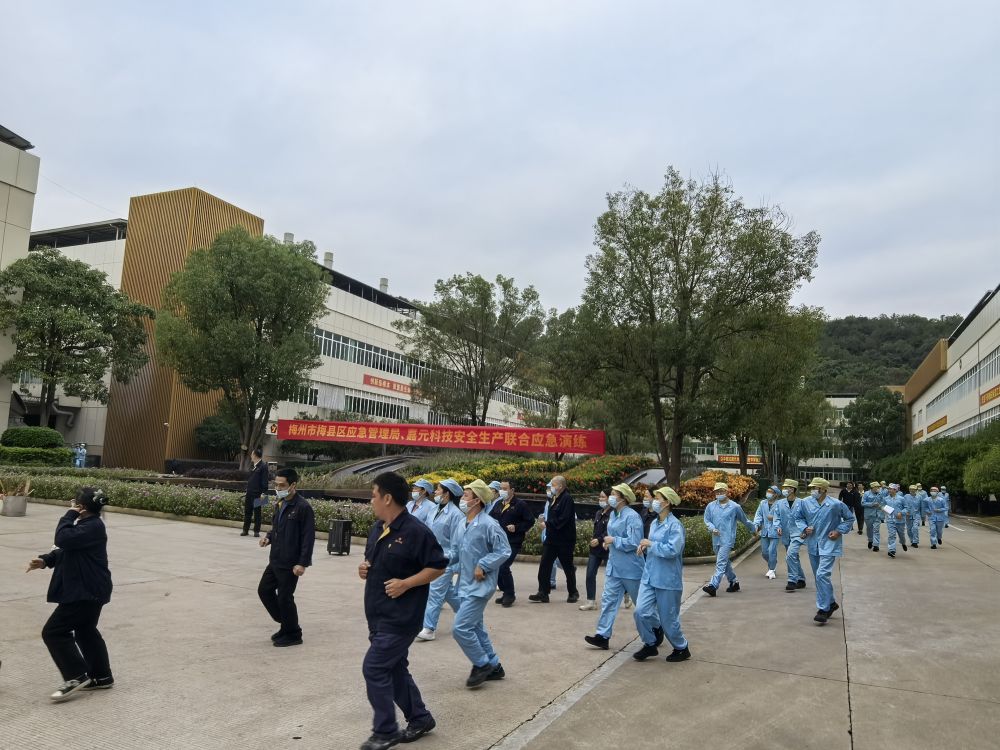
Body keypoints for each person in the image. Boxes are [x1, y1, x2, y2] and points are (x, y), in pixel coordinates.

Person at [358, 472, 449, 750]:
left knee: (374, 667)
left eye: (373, 495)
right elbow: (373, 560)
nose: (371, 500)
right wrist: (364, 567)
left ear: (387, 498)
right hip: (378, 615)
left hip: (401, 618)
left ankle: (385, 731)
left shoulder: (415, 531)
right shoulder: (378, 528)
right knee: (394, 669)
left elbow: (438, 566)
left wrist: (406, 583)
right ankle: (420, 718)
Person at [26, 487, 114, 702]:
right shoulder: (86, 526)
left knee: (54, 632)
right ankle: (102, 676)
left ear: (81, 506)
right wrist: (46, 560)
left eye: (75, 502)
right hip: (91, 589)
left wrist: (69, 515)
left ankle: (76, 676)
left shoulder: (92, 526)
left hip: (85, 592)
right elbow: (66, 549)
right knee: (85, 630)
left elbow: (63, 539)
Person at [452, 479, 511, 688]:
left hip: (480, 586)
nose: (462, 499)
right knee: (476, 628)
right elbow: (455, 552)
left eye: (466, 495)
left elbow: (504, 551)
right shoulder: (462, 523)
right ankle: (494, 666)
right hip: (464, 585)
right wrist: (436, 562)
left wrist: (483, 565)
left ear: (477, 500)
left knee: (460, 628)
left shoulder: (489, 524)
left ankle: (481, 664)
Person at [584, 484, 650, 649]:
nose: (610, 497)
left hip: (631, 569)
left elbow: (634, 542)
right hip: (614, 567)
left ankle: (656, 628)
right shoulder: (613, 514)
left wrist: (614, 541)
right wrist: (609, 542)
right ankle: (602, 635)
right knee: (608, 601)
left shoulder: (632, 517)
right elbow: (612, 535)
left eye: (613, 494)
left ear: (622, 498)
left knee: (642, 605)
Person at [257, 468, 314, 647]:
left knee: (284, 597)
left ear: (293, 485)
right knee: (264, 590)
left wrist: (302, 563)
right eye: (276, 485)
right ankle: (287, 624)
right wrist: (268, 537)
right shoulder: (280, 503)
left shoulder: (303, 507)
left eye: (282, 485)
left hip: (290, 563)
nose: (278, 488)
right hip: (275, 559)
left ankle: (294, 633)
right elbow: (277, 528)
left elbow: (308, 538)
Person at [633, 486, 688, 663]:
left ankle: (681, 648)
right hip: (650, 575)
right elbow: (653, 544)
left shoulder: (675, 525)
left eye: (657, 498)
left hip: (667, 579)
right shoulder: (655, 523)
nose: (653, 501)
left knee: (669, 619)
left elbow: (673, 550)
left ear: (667, 502)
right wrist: (644, 546)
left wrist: (651, 544)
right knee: (640, 611)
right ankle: (650, 643)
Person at [794, 478, 854, 624]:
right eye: (812, 488)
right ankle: (831, 602)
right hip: (813, 543)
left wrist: (838, 531)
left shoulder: (836, 504)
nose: (813, 490)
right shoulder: (805, 502)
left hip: (829, 543)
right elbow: (798, 517)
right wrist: (804, 528)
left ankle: (823, 609)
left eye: (815, 488)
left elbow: (849, 518)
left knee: (822, 574)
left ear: (823, 489)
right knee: (819, 577)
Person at [416, 479, 465, 641]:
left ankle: (429, 628)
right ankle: (466, 613)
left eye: (438, 489)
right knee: (447, 592)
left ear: (447, 494)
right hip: (431, 557)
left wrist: (451, 562)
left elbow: (457, 543)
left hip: (446, 559)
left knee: (434, 592)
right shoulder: (434, 509)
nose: (435, 492)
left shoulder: (456, 515)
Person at [530, 476, 579, 604]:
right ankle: (543, 592)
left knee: (567, 567)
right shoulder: (553, 498)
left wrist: (547, 524)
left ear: (560, 486)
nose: (551, 487)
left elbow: (564, 518)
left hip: (564, 540)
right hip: (552, 538)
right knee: (544, 565)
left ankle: (573, 592)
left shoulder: (567, 499)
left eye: (553, 484)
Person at [702, 481, 757, 597]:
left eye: (721, 491)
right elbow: (707, 520)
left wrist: (753, 529)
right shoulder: (711, 506)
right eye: (717, 492)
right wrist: (712, 528)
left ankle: (713, 585)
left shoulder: (735, 507)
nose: (719, 494)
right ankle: (734, 582)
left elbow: (744, 520)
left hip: (727, 539)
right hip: (716, 538)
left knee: (720, 562)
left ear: (727, 492)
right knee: (725, 562)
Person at [490, 480, 535, 607]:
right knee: (497, 567)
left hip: (513, 542)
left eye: (505, 488)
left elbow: (530, 521)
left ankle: (510, 594)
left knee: (504, 566)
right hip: (499, 542)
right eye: (501, 488)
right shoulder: (498, 504)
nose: (502, 491)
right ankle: (505, 592)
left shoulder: (520, 504)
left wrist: (517, 527)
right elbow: (490, 519)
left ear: (512, 490)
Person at [579, 489, 612, 611]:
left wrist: (599, 539)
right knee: (590, 574)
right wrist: (594, 540)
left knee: (612, 576)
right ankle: (591, 601)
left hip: (607, 548)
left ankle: (625, 594)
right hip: (595, 549)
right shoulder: (599, 513)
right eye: (600, 497)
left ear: (609, 498)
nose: (600, 499)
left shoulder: (613, 514)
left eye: (603, 497)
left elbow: (611, 531)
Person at [781, 479, 809, 592]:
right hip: (786, 533)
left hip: (798, 534)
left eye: (786, 487)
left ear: (792, 489)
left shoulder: (802, 503)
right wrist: (777, 526)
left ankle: (792, 580)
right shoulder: (780, 503)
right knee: (793, 557)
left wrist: (805, 530)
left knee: (790, 555)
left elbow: (808, 517)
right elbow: (777, 516)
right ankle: (801, 579)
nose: (784, 489)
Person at [753, 486, 782, 579]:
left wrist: (774, 518)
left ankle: (772, 569)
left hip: (775, 531)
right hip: (765, 531)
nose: (768, 493)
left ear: (776, 494)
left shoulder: (780, 504)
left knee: (771, 550)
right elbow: (758, 515)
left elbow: (784, 516)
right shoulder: (763, 503)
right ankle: (773, 563)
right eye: (768, 491)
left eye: (771, 492)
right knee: (764, 552)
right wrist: (756, 525)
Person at [241, 447, 269, 537]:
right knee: (247, 512)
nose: (251, 456)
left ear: (255, 455)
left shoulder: (263, 466)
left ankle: (256, 531)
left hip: (258, 494)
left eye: (252, 454)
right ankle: (245, 530)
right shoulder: (253, 465)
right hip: (249, 493)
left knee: (257, 513)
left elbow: (265, 481)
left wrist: (264, 493)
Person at [885, 484, 909, 558]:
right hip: (890, 520)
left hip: (900, 520)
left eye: (891, 489)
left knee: (901, 535)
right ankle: (892, 550)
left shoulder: (901, 499)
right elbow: (883, 507)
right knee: (891, 535)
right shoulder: (886, 499)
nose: (889, 490)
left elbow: (907, 508)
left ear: (895, 490)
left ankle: (903, 543)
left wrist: (901, 513)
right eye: (889, 489)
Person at [861, 481, 883, 552]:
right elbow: (863, 503)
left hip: (877, 515)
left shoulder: (880, 494)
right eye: (876, 487)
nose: (878, 488)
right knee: (869, 529)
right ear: (872, 487)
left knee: (876, 530)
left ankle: (876, 545)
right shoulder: (866, 494)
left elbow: (883, 502)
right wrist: (872, 504)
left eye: (878, 487)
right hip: (869, 515)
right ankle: (870, 540)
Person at [905, 484, 923, 548]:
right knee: (909, 529)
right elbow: (903, 505)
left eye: (914, 489)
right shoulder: (906, 496)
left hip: (916, 515)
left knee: (915, 528)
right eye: (911, 489)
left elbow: (921, 507)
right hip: (908, 515)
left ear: (916, 490)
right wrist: (905, 512)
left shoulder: (919, 497)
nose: (912, 490)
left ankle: (915, 542)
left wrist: (923, 516)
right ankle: (912, 540)